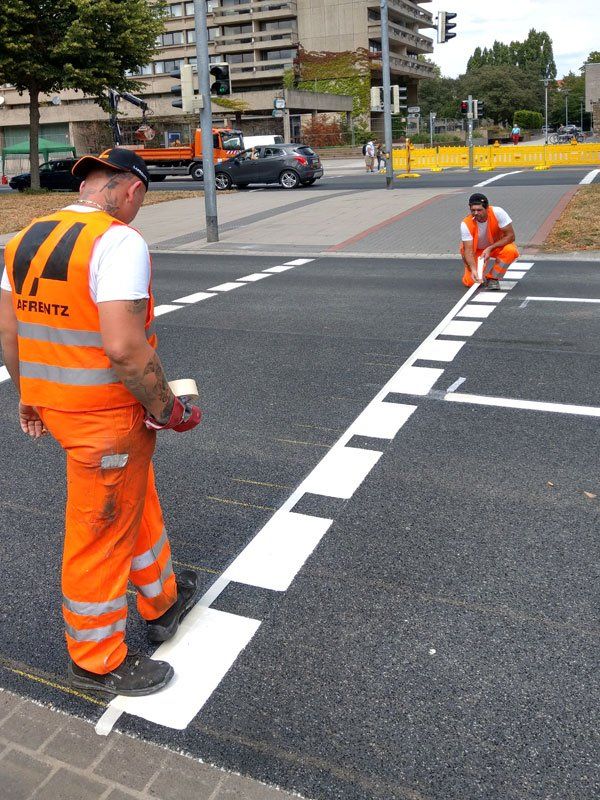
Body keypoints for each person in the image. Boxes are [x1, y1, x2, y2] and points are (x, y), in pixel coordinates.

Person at [0, 148, 202, 697]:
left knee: (135, 499)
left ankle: (162, 599)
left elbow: (11, 334)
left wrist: (29, 397)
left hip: (62, 410)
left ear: (86, 184)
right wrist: (168, 410)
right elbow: (125, 348)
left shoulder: (24, 240)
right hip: (107, 418)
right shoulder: (118, 241)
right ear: (132, 190)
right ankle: (96, 656)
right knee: (100, 530)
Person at [459, 192, 519, 291]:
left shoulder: (498, 212)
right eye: (473, 210)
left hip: (495, 247)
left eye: (479, 210)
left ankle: (493, 278)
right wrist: (473, 269)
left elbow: (511, 236)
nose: (476, 213)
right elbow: (468, 250)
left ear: (487, 208)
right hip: (476, 251)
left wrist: (490, 248)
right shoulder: (466, 223)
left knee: (510, 251)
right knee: (471, 282)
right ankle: (476, 274)